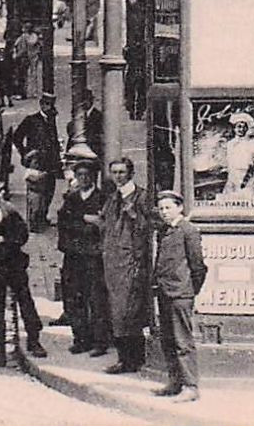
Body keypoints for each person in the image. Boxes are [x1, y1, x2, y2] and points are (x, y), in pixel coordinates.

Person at [0, 175, 46, 366]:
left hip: (14, 264)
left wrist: (3, 240)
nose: (0, 194)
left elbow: (22, 235)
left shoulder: (9, 210)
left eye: (0, 191)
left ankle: (34, 340)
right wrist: (2, 240)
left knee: (25, 301)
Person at [152, 190, 208, 402]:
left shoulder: (188, 230)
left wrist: (190, 290)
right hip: (165, 292)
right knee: (168, 339)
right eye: (161, 208)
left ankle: (190, 386)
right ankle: (175, 382)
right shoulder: (165, 231)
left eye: (168, 207)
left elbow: (198, 267)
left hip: (180, 294)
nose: (164, 212)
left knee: (183, 341)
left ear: (179, 208)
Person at [100, 156, 152, 375]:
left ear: (131, 173)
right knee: (116, 310)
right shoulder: (113, 197)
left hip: (132, 262)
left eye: (122, 172)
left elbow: (150, 226)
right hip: (113, 262)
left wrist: (133, 215)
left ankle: (132, 359)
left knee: (129, 311)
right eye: (115, 172)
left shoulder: (141, 196)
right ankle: (124, 358)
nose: (118, 176)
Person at [56, 161, 112, 357]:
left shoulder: (103, 198)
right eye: (80, 175)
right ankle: (81, 339)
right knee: (74, 298)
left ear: (94, 177)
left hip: (94, 257)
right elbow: (63, 224)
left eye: (87, 175)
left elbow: (104, 225)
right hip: (73, 256)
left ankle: (99, 341)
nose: (83, 178)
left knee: (96, 299)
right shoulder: (71, 199)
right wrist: (85, 222)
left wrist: (85, 224)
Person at [12, 91, 63, 231]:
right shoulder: (31, 120)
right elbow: (17, 137)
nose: (49, 107)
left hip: (50, 162)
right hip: (36, 161)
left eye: (51, 105)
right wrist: (25, 154)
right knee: (35, 191)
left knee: (49, 191)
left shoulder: (51, 120)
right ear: (41, 104)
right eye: (46, 104)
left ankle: (42, 217)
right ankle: (34, 222)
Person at [221, 111, 254, 202]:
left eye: (244, 127)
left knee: (249, 202)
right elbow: (229, 162)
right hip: (233, 179)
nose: (241, 129)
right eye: (239, 127)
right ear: (234, 128)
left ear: (247, 128)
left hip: (249, 178)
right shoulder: (230, 144)